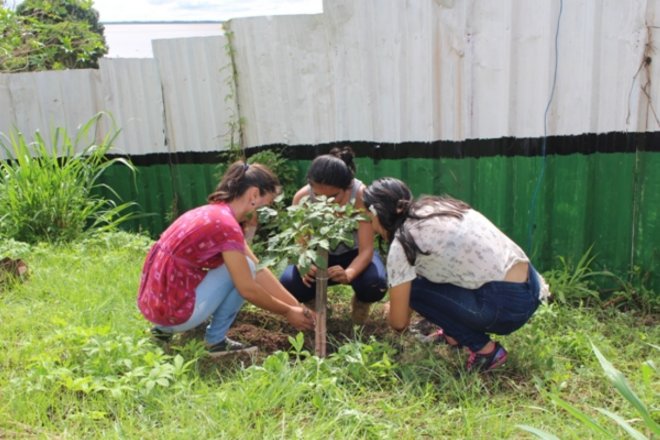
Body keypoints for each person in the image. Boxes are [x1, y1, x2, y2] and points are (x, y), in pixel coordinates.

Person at [363, 177, 550, 372]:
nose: (369, 222)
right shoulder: (438, 207)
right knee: (421, 277)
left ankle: (486, 352)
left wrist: (394, 309)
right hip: (531, 287)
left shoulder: (403, 243)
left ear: (377, 213)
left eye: (368, 215)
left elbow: (399, 323)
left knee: (414, 290)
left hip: (506, 307)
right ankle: (454, 335)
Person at [138, 161, 315, 357]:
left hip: (157, 304)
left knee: (245, 266)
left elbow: (259, 270)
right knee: (243, 270)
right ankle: (215, 341)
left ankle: (162, 331)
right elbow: (248, 288)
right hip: (175, 313)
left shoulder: (215, 213)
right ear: (254, 195)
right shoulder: (227, 226)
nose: (266, 211)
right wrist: (287, 312)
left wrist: (296, 307)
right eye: (268, 203)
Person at [279, 147, 388, 324]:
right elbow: (302, 246)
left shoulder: (361, 195)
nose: (326, 202)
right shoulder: (302, 199)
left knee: (375, 283)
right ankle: (314, 302)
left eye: (333, 196)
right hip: (318, 256)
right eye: (318, 195)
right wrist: (303, 264)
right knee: (289, 282)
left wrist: (349, 273)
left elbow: (366, 250)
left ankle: (361, 302)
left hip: (354, 253)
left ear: (348, 186)